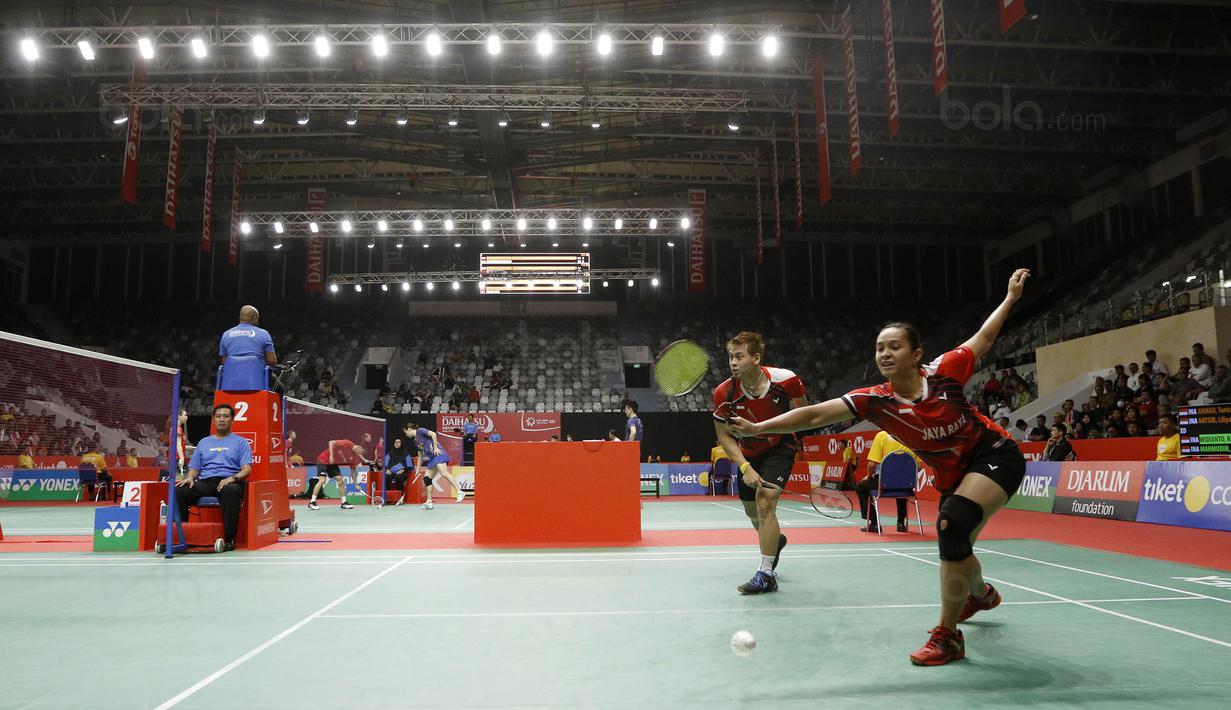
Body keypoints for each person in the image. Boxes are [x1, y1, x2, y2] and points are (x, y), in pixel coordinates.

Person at [729, 268, 1031, 666]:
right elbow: (817, 415)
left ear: (916, 354)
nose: (884, 354)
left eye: (894, 347)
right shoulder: (876, 399)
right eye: (879, 348)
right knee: (958, 541)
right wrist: (760, 426)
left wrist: (1009, 298)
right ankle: (980, 594)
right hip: (953, 476)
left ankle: (949, 636)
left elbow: (985, 338)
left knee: (953, 523)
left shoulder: (945, 371)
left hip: (995, 455)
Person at [712, 331, 807, 595]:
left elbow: (803, 413)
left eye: (739, 356)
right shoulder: (725, 393)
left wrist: (796, 438)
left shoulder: (786, 381)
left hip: (780, 446)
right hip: (748, 452)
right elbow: (723, 437)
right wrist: (745, 467)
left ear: (756, 358)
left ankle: (766, 574)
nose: (733, 362)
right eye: (731, 356)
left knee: (766, 501)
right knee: (754, 513)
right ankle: (776, 541)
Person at [175, 404, 253, 552]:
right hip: (206, 482)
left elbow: (247, 469)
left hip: (229, 481)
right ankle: (180, 535)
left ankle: (229, 539)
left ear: (232, 420)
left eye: (226, 416)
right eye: (218, 416)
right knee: (180, 491)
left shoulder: (241, 442)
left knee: (230, 492)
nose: (221, 419)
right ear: (213, 420)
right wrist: (191, 477)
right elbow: (195, 468)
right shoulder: (204, 442)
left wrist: (233, 478)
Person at [857, 430, 920, 533]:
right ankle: (901, 523)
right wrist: (903, 474)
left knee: (861, 486)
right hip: (907, 486)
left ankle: (874, 523)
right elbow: (920, 466)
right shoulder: (911, 435)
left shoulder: (882, 435)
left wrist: (868, 477)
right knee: (900, 484)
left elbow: (872, 464)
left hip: (884, 484)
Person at [404, 422, 466, 509]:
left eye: (405, 432)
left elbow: (433, 434)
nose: (406, 434)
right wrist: (417, 469)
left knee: (444, 473)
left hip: (438, 454)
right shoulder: (416, 442)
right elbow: (420, 457)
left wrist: (436, 447)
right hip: (432, 459)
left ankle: (459, 491)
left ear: (409, 429)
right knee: (427, 479)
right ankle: (429, 502)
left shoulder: (420, 431)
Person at [218, 305, 277, 392]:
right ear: (255, 318)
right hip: (257, 382)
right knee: (279, 387)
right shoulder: (264, 334)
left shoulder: (226, 334)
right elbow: (272, 361)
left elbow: (224, 363)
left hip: (231, 383)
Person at [308, 438, 368, 510]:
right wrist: (331, 456)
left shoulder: (354, 456)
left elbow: (353, 471)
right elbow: (331, 442)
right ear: (359, 447)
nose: (358, 454)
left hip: (333, 464)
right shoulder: (347, 443)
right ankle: (312, 502)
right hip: (323, 459)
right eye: (360, 452)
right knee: (322, 480)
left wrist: (356, 484)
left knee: (340, 480)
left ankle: (344, 503)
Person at [383, 437, 413, 506]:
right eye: (395, 442)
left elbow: (409, 466)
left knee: (398, 478)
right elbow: (385, 464)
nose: (397, 444)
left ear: (401, 444)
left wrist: (403, 470)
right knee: (387, 477)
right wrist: (387, 469)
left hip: (403, 471)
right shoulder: (389, 454)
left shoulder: (406, 454)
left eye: (398, 442)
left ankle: (400, 498)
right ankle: (389, 497)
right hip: (391, 471)